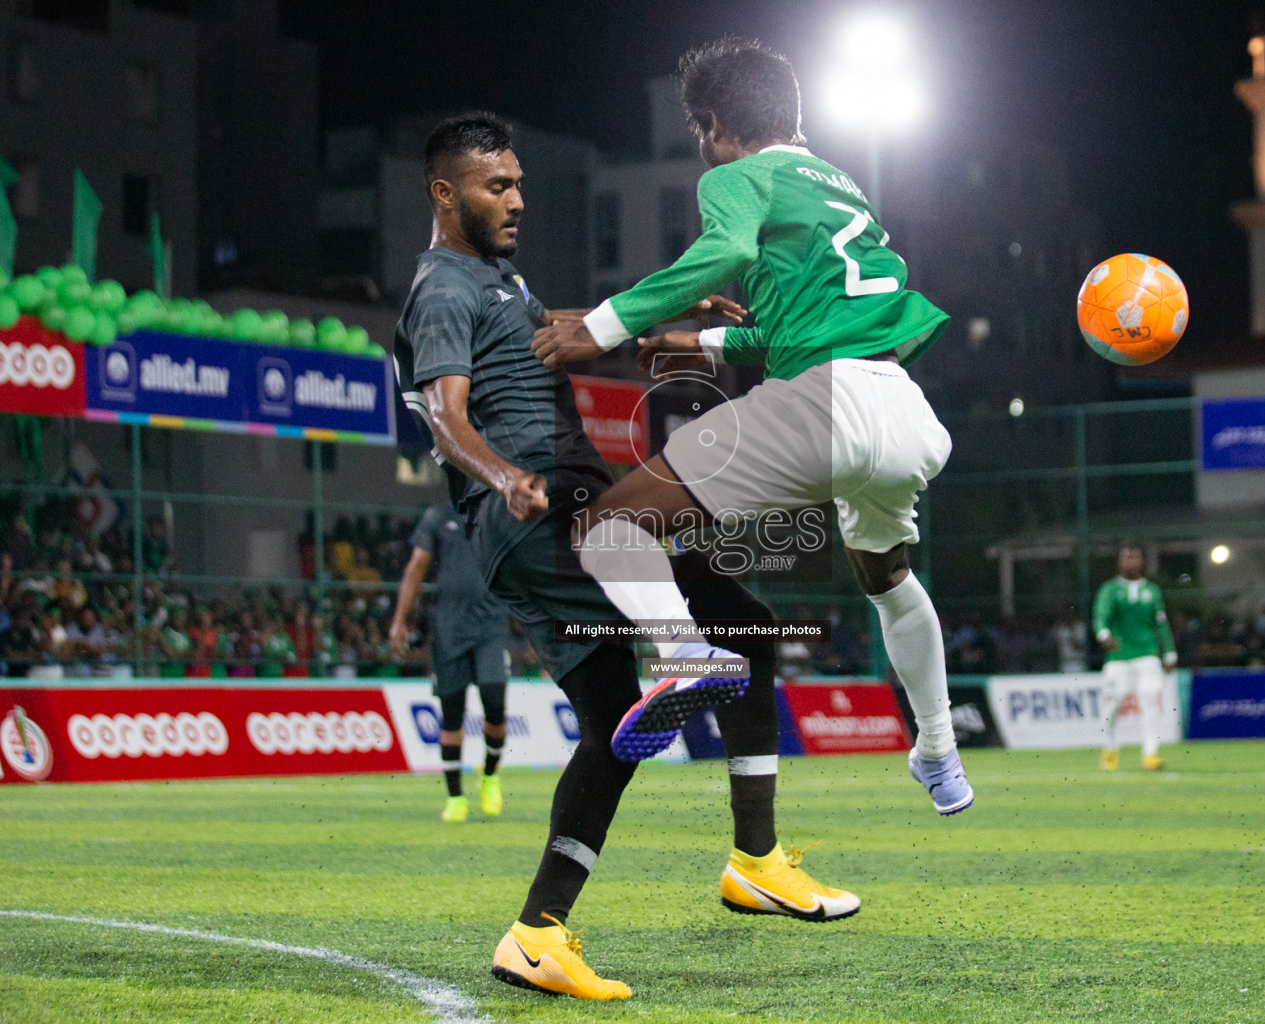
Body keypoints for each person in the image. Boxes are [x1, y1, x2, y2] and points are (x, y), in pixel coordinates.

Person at [391, 112, 858, 1001]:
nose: (519, 199)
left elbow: (546, 329)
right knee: (734, 635)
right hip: (541, 512)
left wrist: (671, 310)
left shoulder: (493, 279)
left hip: (565, 507)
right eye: (499, 186)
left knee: (633, 709)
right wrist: (502, 476)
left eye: (521, 181)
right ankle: (742, 827)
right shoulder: (442, 288)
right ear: (445, 195)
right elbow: (444, 415)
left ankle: (539, 935)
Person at [530, 39, 971, 816]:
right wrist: (691, 343)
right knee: (888, 579)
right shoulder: (840, 184)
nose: (703, 153)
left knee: (608, 528)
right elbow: (801, 325)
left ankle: (687, 654)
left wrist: (599, 327)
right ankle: (938, 751)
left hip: (822, 407)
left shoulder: (740, 174)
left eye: (700, 135)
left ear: (716, 126)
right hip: (901, 412)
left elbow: (722, 251)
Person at [390, 504, 514, 822]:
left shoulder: (498, 514)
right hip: (449, 632)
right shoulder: (438, 516)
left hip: (490, 627)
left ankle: (489, 776)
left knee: (495, 704)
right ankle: (456, 797)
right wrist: (399, 620)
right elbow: (417, 566)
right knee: (452, 715)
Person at [1092, 543, 1176, 771]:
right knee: (1111, 705)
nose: (1132, 562)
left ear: (1142, 561)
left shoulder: (1152, 591)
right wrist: (1104, 634)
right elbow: (1101, 616)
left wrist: (1169, 652)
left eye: (1135, 558)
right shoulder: (1110, 590)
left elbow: (1161, 624)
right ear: (1120, 562)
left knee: (1150, 703)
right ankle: (1109, 750)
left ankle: (1151, 754)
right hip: (1118, 655)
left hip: (1147, 654)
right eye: (1127, 558)